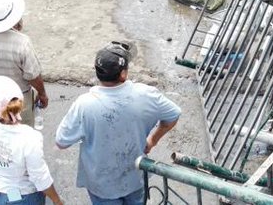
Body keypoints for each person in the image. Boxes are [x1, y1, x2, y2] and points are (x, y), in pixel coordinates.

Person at [56, 43, 181, 205]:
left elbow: (61, 141)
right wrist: (152, 140)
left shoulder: (84, 104)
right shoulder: (146, 95)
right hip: (134, 175)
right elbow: (174, 114)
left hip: (101, 184)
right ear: (123, 74)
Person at [0, 76, 64, 205]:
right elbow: (39, 176)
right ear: (20, 104)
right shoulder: (29, 137)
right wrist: (57, 200)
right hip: (24, 195)